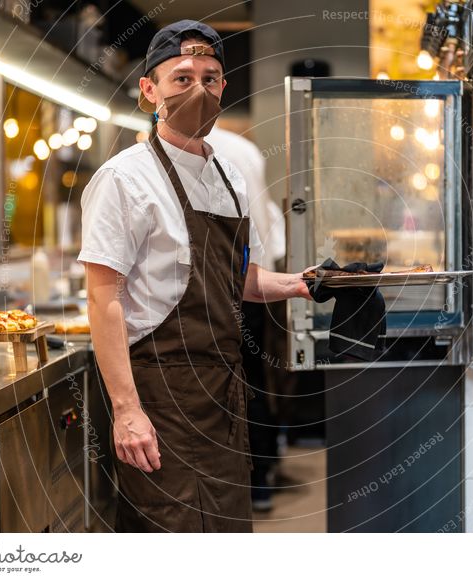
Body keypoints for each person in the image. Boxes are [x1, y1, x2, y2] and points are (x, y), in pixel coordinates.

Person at [78, 20, 311, 533]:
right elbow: (102, 300)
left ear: (224, 88)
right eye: (181, 78)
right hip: (161, 395)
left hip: (223, 395)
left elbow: (238, 279)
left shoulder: (228, 176)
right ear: (149, 91)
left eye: (210, 78)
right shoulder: (123, 179)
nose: (198, 90)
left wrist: (299, 282)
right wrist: (127, 411)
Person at [205, 126, 285, 511]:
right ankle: (262, 475)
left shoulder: (190, 151)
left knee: (230, 381)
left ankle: (244, 480)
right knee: (253, 375)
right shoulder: (247, 149)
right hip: (254, 280)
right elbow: (269, 221)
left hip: (224, 286)